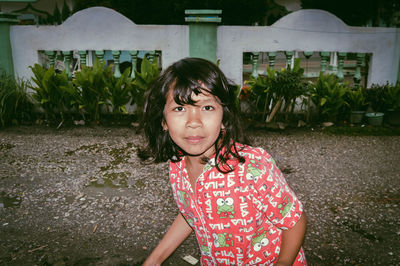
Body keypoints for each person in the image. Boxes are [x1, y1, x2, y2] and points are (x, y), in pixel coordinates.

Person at [140, 57, 307, 265]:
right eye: (180, 109)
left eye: (207, 108)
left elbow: (294, 220)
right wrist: (155, 259)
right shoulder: (178, 167)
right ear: (163, 121)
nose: (194, 122)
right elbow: (191, 212)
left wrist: (284, 262)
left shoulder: (252, 166)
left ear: (223, 118)